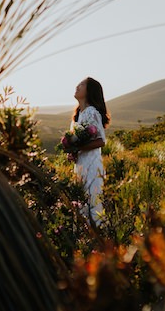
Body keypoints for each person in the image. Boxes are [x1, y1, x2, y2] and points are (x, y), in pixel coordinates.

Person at [71, 76, 109, 225]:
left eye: (82, 84)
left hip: (91, 166)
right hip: (81, 166)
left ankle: (102, 243)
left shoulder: (91, 112)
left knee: (94, 206)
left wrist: (77, 147)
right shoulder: (80, 114)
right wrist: (72, 151)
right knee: (82, 207)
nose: (77, 86)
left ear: (89, 91)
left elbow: (101, 141)